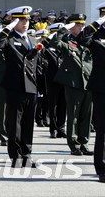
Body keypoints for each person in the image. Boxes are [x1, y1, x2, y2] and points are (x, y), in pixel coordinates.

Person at [0, 6, 41, 169]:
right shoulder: (8, 38)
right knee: (15, 122)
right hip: (15, 86)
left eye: (27, 20)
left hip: (31, 87)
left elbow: (36, 65)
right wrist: (8, 27)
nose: (25, 23)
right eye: (21, 20)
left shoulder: (33, 40)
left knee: (28, 122)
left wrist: (40, 87)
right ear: (14, 21)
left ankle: (27, 154)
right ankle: (15, 156)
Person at [51, 14, 93, 156]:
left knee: (86, 115)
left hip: (88, 82)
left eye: (83, 24)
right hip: (73, 83)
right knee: (74, 115)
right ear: (71, 26)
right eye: (78, 24)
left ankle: (84, 143)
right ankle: (74, 144)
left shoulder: (88, 40)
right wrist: (64, 29)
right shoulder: (67, 41)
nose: (81, 27)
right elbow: (54, 42)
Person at [76, 2, 105, 183]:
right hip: (102, 88)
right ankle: (102, 168)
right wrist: (97, 23)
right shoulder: (96, 35)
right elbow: (81, 41)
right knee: (103, 129)